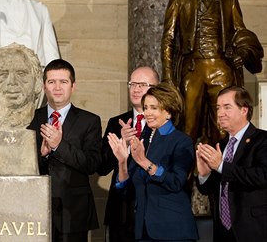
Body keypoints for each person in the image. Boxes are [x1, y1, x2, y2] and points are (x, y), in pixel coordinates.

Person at [161, 0, 263, 146]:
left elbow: (241, 33)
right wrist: (169, 77)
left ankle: (222, 174)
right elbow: (168, 40)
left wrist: (241, 54)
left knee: (224, 128)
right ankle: (186, 177)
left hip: (221, 68)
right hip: (193, 69)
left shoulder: (229, 0)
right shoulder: (180, 0)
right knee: (187, 128)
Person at [108, 83, 199, 242]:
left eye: (154, 108)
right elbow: (126, 190)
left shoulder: (181, 141)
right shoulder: (144, 138)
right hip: (142, 230)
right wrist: (122, 162)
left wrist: (144, 162)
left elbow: (176, 182)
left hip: (173, 230)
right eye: (146, 107)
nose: (147, 113)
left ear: (169, 111)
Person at [28, 59, 102, 242]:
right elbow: (21, 163)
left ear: (73, 86)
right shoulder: (31, 119)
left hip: (73, 212)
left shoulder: (89, 121)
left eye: (64, 82)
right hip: (34, 209)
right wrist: (42, 154)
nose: (57, 87)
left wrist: (59, 145)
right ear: (44, 86)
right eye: (52, 82)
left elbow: (92, 164)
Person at [196, 86, 267, 242]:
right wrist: (204, 174)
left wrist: (221, 166)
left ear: (244, 110)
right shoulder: (219, 145)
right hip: (222, 231)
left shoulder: (262, 140)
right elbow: (208, 190)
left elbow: (262, 176)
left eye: (227, 107)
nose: (220, 113)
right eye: (218, 108)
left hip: (252, 229)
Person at [97, 66, 159, 242]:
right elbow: (101, 167)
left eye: (142, 84)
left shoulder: (166, 123)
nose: (136, 89)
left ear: (157, 88)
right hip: (120, 212)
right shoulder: (116, 123)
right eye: (132, 84)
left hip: (153, 212)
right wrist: (121, 142)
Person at [0, 43, 43, 129]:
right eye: (3, 74)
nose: (11, 81)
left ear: (37, 82)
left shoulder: (46, 123)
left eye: (21, 73)